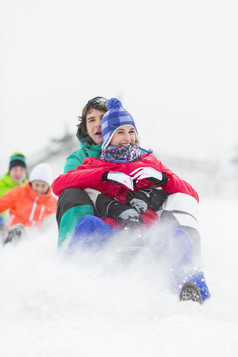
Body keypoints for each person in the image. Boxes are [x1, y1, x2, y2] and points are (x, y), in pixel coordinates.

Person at [52, 98, 210, 304]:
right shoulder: (94, 163)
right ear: (109, 136)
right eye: (120, 132)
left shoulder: (149, 160)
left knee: (178, 236)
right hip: (113, 230)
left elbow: (191, 194)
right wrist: (104, 177)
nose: (127, 138)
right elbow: (61, 185)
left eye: (131, 131)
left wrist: (161, 180)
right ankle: (67, 284)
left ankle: (192, 291)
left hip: (147, 230)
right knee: (88, 225)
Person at [0, 163, 57, 245]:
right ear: (31, 182)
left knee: (51, 220)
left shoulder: (53, 203)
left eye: (43, 186)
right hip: (13, 236)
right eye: (36, 185)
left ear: (48, 186)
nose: (39, 189)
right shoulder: (18, 193)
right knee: (19, 230)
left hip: (36, 242)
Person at [0, 152, 27, 232]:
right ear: (10, 171)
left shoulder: (28, 188)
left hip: (22, 229)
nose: (18, 173)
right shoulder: (1, 186)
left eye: (21, 170)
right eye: (15, 169)